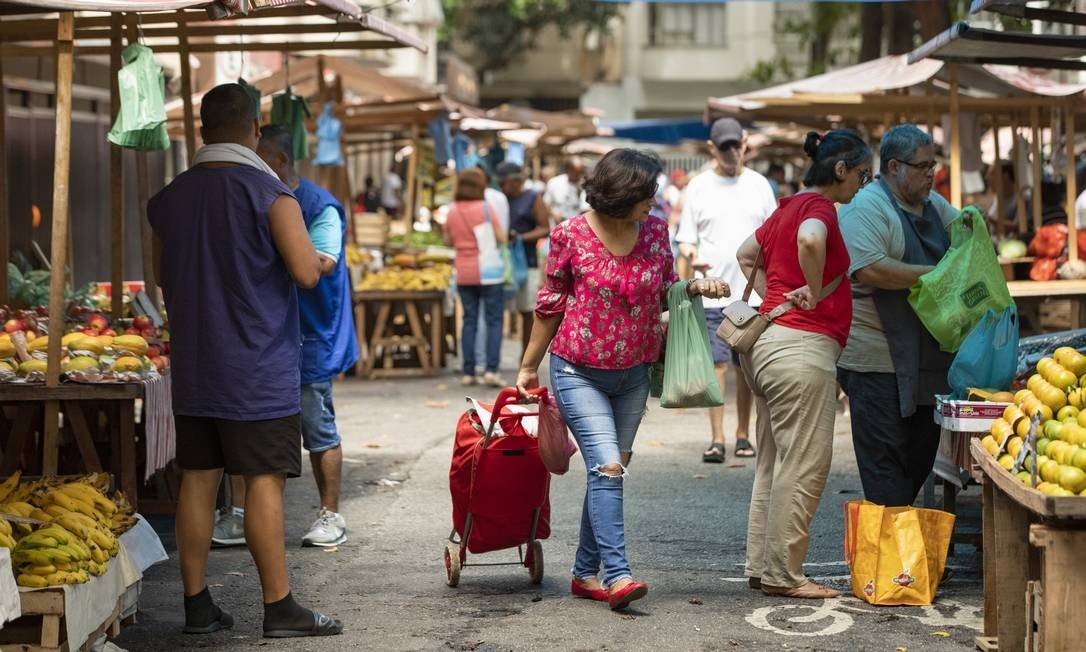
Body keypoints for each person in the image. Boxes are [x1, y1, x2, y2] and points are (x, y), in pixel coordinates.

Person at [148, 83, 341, 637]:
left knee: (199, 481)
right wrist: (322, 262)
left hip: (196, 365)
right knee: (261, 481)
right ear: (255, 128)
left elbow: (164, 275)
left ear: (203, 129)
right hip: (257, 367)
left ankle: (196, 603)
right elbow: (305, 271)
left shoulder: (169, 198)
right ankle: (279, 606)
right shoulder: (271, 193)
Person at [516, 149, 730, 611]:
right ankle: (618, 575)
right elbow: (550, 304)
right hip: (577, 371)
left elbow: (667, 287)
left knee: (608, 471)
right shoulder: (569, 234)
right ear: (621, 194)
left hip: (633, 372)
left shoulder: (654, 231)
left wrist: (695, 287)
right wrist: (529, 366)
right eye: (647, 192)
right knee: (609, 466)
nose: (655, 199)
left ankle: (582, 572)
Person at [736, 129, 871, 599]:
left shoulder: (787, 206)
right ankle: (784, 574)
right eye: (862, 174)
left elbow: (745, 253)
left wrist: (776, 294)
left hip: (769, 345)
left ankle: (762, 565)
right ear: (841, 169)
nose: (862, 184)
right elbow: (812, 242)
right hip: (801, 348)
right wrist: (812, 291)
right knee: (806, 463)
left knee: (774, 462)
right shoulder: (818, 210)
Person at [836, 124, 958, 510]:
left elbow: (967, 235)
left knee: (917, 462)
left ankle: (901, 562)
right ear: (894, 166)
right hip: (875, 362)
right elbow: (869, 268)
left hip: (927, 363)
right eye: (922, 167)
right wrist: (938, 275)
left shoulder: (933, 206)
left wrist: (973, 230)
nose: (930, 174)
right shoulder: (867, 209)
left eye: (932, 165)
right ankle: (892, 566)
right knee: (885, 469)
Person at [257, 124, 358, 546]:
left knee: (318, 426)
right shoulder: (258, 197)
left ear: (279, 161)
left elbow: (323, 265)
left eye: (258, 156)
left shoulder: (320, 207)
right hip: (269, 334)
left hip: (310, 335)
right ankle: (244, 514)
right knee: (258, 429)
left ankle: (331, 515)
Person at [677, 117, 777, 464]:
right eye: (725, 147)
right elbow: (686, 238)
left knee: (746, 369)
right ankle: (717, 437)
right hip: (713, 291)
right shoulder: (699, 186)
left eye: (737, 145)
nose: (732, 152)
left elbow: (773, 236)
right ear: (712, 149)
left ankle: (743, 434)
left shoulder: (760, 185)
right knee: (717, 366)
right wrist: (692, 258)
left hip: (754, 294)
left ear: (746, 143)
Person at [444, 168, 507, 387]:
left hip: (464, 271)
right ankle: (491, 370)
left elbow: (447, 240)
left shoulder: (452, 211)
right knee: (494, 320)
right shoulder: (485, 208)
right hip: (489, 271)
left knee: (469, 320)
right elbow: (502, 238)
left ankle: (469, 371)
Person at [496, 161, 551, 356]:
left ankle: (525, 356)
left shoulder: (532, 198)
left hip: (525, 261)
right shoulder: (499, 198)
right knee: (498, 310)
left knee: (527, 310)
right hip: (502, 262)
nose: (505, 187)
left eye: (508, 183)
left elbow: (545, 228)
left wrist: (520, 237)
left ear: (516, 181)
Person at [543, 156, 588, 223]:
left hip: (577, 225)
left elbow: (586, 208)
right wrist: (553, 213)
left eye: (580, 172)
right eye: (575, 172)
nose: (577, 175)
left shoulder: (585, 185)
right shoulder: (554, 182)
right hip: (557, 224)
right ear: (568, 169)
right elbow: (546, 203)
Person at [985, 159, 1019, 235]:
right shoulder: (997, 198)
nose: (987, 177)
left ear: (1005, 176)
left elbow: (1016, 227)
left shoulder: (1021, 199)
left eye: (992, 173)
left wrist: (988, 218)